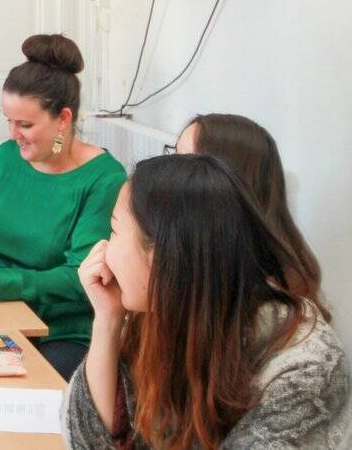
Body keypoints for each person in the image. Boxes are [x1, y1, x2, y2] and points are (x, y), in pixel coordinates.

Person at [65, 154, 349, 448]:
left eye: (113, 231)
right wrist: (107, 320)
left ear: (161, 256)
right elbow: (86, 440)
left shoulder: (303, 370)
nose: (103, 250)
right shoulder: (165, 312)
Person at [0, 35, 127, 380]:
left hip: (61, 332)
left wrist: (0, 280)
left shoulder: (103, 179)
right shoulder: (8, 156)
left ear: (63, 118)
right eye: (8, 121)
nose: (14, 135)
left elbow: (81, 277)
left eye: (25, 124)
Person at [172, 113, 329, 317]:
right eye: (172, 157)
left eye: (182, 163)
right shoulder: (180, 256)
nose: (166, 173)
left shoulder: (276, 309)